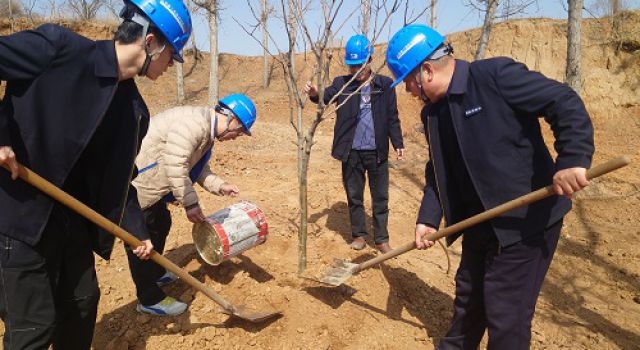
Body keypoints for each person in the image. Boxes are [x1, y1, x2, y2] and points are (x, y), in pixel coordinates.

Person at [386, 24, 594, 349]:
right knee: (468, 302)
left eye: (408, 82)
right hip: (480, 224)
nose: (409, 91)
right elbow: (438, 170)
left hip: (526, 223)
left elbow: (562, 100)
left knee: (505, 315)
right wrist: (428, 217)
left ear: (426, 71)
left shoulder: (494, 77)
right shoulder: (434, 115)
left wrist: (573, 157)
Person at [0, 0, 191, 348]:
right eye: (171, 56)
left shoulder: (133, 112)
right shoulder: (58, 50)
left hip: (69, 223)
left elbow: (120, 181)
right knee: (33, 327)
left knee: (82, 306)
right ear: (151, 42)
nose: (170, 66)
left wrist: (137, 232)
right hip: (15, 217)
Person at [122, 94, 256, 316]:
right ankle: (149, 298)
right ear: (231, 119)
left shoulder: (206, 131)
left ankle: (155, 273)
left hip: (156, 186)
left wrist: (220, 186)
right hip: (139, 184)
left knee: (161, 223)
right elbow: (176, 164)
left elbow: (198, 168)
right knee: (141, 241)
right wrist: (190, 204)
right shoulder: (193, 125)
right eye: (240, 131)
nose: (237, 137)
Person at [305, 34, 404, 253]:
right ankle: (359, 235)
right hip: (351, 152)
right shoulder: (342, 84)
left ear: (369, 60)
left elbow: (392, 116)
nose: (355, 70)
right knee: (354, 196)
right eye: (352, 66)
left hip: (377, 151)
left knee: (380, 198)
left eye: (359, 65)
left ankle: (381, 239)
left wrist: (397, 142)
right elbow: (326, 96)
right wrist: (315, 94)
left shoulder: (384, 85)